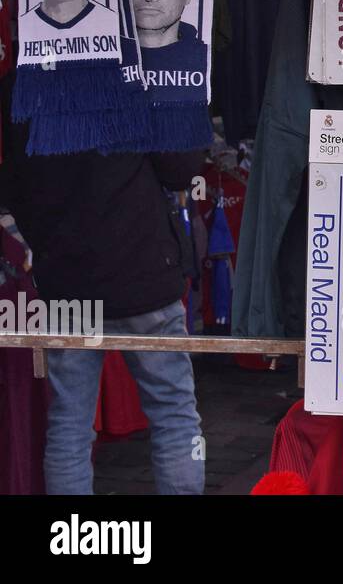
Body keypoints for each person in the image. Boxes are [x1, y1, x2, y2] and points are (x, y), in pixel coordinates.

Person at [0, 91, 207, 494]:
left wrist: (47, 247)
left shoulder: (24, 81)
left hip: (68, 280)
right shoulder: (135, 74)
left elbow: (14, 185)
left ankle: (73, 539)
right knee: (174, 415)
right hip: (144, 273)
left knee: (69, 423)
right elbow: (181, 169)